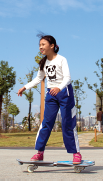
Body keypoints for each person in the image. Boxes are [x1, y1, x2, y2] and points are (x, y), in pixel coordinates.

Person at [17, 34, 82, 164]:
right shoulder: (43, 63)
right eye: (39, 45)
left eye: (43, 45)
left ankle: (76, 153)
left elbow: (68, 78)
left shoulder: (62, 60)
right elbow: (38, 78)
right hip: (50, 94)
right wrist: (25, 87)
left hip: (65, 93)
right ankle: (39, 152)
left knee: (67, 123)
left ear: (52, 46)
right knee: (46, 123)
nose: (40, 47)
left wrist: (59, 88)